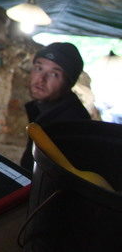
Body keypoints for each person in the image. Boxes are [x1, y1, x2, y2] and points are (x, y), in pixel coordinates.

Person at [20, 42, 91, 172]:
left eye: (54, 74)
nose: (41, 80)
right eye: (39, 68)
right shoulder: (42, 109)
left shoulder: (73, 125)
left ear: (69, 83)